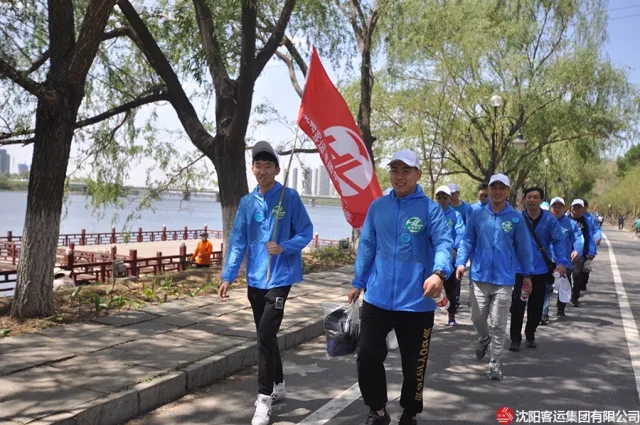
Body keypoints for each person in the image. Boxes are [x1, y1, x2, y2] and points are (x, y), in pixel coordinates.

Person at [348, 149, 453, 425]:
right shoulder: (378, 207)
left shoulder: (430, 209)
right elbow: (367, 246)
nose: (399, 176)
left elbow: (444, 243)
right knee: (367, 355)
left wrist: (439, 273)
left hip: (417, 301)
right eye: (395, 170)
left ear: (418, 174)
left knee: (414, 365)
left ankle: (409, 412)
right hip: (378, 297)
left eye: (406, 170)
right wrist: (359, 282)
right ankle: (378, 410)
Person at [218, 141, 313, 425]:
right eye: (258, 165)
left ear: (277, 169)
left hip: (280, 277)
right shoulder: (247, 203)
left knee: (265, 333)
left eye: (267, 165)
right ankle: (279, 383)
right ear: (252, 169)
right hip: (256, 278)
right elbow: (238, 241)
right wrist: (228, 276)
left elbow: (306, 232)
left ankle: (263, 398)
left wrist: (284, 247)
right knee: (266, 336)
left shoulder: (289, 197)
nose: (262, 170)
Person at [455, 173, 533, 381]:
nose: (497, 192)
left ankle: (495, 361)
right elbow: (467, 240)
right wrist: (461, 262)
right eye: (494, 187)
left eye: (502, 188)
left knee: (499, 323)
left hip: (504, 280)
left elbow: (524, 248)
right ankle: (484, 338)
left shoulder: (515, 218)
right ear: (489, 190)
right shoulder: (477, 214)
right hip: (479, 277)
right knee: (477, 318)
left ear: (508, 191)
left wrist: (527, 274)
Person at [508, 187, 568, 351]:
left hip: (540, 270)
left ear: (541, 200)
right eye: (529, 197)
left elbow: (558, 242)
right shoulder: (517, 218)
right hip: (519, 270)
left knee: (536, 307)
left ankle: (530, 333)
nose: (532, 200)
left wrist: (561, 262)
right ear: (524, 199)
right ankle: (515, 338)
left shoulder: (550, 220)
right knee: (517, 306)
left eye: (536, 197)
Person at [547, 197, 584, 318]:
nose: (557, 209)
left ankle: (561, 307)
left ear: (564, 209)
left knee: (564, 286)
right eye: (554, 207)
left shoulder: (571, 224)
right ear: (550, 208)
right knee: (546, 287)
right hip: (547, 260)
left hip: (563, 261)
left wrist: (577, 250)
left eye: (560, 207)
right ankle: (544, 312)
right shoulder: (545, 222)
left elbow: (578, 239)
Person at [434, 185, 465, 326]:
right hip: (433, 258)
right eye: (439, 197)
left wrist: (455, 248)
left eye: (445, 197)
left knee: (451, 289)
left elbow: (460, 233)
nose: (442, 200)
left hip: (449, 259)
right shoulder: (432, 213)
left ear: (449, 199)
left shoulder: (455, 215)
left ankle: (451, 315)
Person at [567, 199, 597, 307]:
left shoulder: (586, 221)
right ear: (571, 208)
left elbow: (590, 237)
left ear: (582, 209)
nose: (576, 209)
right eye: (575, 207)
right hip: (566, 253)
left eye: (579, 207)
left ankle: (575, 297)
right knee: (566, 275)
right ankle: (567, 293)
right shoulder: (565, 220)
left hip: (580, 253)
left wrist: (591, 251)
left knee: (577, 275)